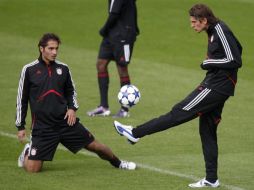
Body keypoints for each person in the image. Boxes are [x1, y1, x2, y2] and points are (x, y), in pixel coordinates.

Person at [114, 4, 242, 188]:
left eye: (193, 22)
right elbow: (239, 48)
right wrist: (215, 67)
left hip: (215, 87)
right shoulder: (214, 30)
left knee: (177, 113)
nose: (192, 25)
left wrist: (209, 63)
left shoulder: (220, 30)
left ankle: (135, 133)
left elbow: (235, 60)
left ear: (203, 20)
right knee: (207, 131)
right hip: (219, 86)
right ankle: (211, 179)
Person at [15, 33, 136, 172]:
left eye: (56, 49)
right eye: (51, 48)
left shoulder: (63, 69)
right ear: (41, 49)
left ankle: (119, 163)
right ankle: (27, 152)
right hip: (43, 127)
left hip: (66, 122)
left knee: (97, 147)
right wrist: (20, 126)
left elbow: (71, 92)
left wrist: (72, 108)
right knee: (32, 169)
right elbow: (21, 99)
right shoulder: (29, 70)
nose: (54, 52)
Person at [87, 0, 139, 118]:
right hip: (111, 34)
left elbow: (114, 14)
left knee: (122, 67)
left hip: (124, 35)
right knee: (101, 64)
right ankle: (103, 107)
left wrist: (104, 29)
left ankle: (125, 109)